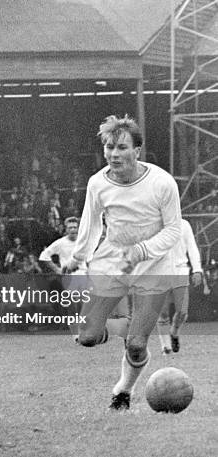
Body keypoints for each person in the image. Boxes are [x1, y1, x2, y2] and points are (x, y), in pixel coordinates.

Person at [64, 115, 181, 410]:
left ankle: (122, 391)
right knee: (88, 337)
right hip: (113, 262)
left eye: (121, 148)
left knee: (138, 344)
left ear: (137, 151)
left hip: (153, 267)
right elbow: (90, 226)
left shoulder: (162, 182)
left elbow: (173, 231)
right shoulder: (97, 183)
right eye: (109, 147)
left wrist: (142, 250)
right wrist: (77, 257)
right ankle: (125, 326)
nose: (114, 154)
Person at [157, 218, 203, 354]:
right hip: (160, 272)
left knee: (182, 312)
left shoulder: (184, 224)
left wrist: (197, 269)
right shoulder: (152, 223)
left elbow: (192, 247)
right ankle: (166, 347)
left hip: (180, 271)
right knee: (162, 313)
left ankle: (174, 333)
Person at [39, 217, 87, 340]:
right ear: (66, 229)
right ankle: (76, 335)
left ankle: (85, 332)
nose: (73, 230)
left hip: (83, 274)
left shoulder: (83, 241)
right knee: (72, 306)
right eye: (70, 227)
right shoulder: (60, 243)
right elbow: (44, 256)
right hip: (69, 276)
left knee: (84, 305)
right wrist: (57, 270)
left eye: (75, 227)